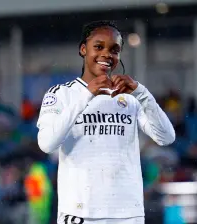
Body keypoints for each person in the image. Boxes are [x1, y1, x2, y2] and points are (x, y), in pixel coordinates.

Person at [37, 20, 175, 224]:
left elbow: (166, 137)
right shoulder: (62, 94)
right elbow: (47, 144)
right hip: (80, 213)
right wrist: (86, 94)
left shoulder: (130, 97)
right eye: (98, 47)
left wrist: (142, 93)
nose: (107, 54)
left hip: (128, 214)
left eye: (114, 50)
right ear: (83, 49)